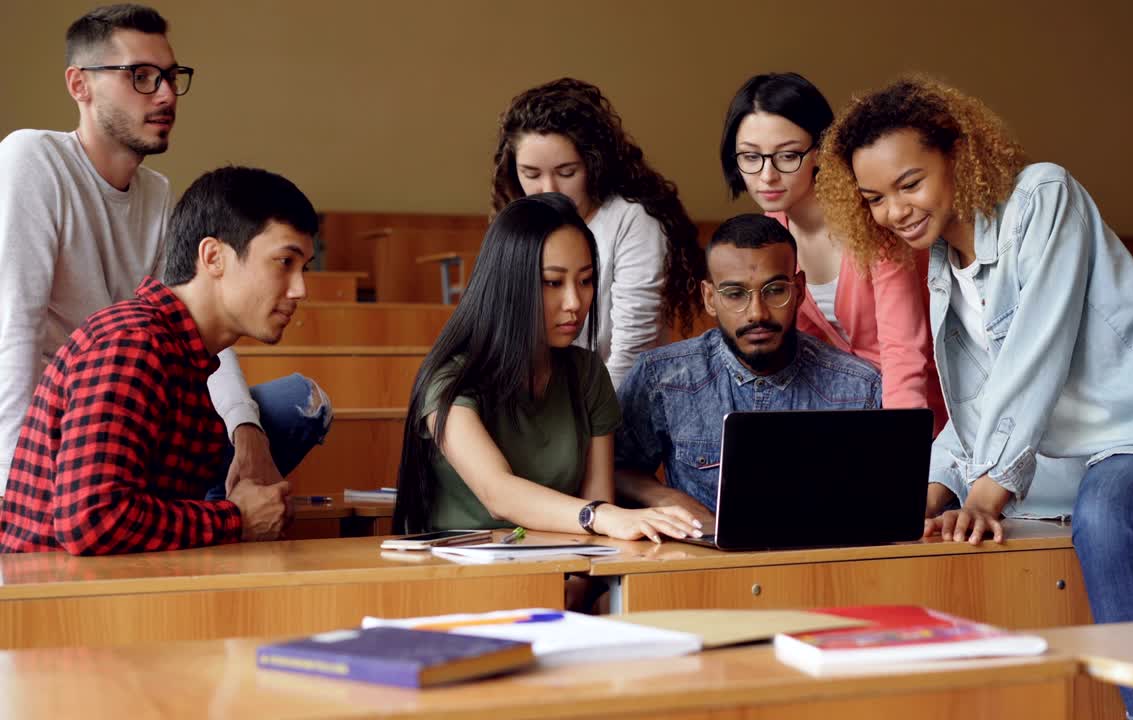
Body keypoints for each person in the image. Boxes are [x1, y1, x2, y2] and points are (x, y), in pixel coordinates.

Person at [821, 76, 1133, 719]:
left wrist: (989, 489)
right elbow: (979, 403)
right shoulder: (940, 273)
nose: (895, 211)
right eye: (874, 198)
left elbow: (1037, 349)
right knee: (1104, 519)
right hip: (1132, 442)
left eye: (910, 183)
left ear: (957, 156)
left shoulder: (1042, 195)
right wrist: (927, 491)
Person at [0, 3, 329, 500]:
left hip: (143, 411)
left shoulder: (155, 192)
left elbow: (198, 325)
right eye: (141, 77)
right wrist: (11, 489)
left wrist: (246, 430)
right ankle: (191, 518)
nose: (166, 94)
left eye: (172, 77)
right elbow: (13, 332)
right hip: (67, 431)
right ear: (79, 85)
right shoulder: (33, 160)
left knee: (298, 403)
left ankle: (192, 518)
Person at [0, 166, 319, 555]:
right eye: (285, 262)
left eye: (304, 268)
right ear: (213, 256)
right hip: (54, 602)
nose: (300, 288)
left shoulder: (185, 357)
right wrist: (236, 519)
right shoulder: (133, 344)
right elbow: (91, 521)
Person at [394, 192, 702, 544]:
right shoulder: (450, 379)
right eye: (553, 283)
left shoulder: (587, 373)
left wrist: (580, 582)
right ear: (510, 284)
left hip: (565, 565)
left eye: (585, 281)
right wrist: (600, 517)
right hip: (464, 576)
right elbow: (500, 495)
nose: (574, 302)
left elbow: (598, 499)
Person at [615, 214, 883, 526]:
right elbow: (616, 468)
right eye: (734, 294)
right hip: (702, 567)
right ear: (710, 298)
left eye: (774, 290)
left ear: (798, 290)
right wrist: (669, 499)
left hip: (819, 569)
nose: (757, 313)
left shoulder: (860, 388)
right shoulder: (661, 377)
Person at [721, 72, 945, 438]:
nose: (767, 176)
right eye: (750, 157)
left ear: (821, 150)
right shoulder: (772, 230)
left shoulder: (873, 221)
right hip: (841, 423)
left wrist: (902, 455)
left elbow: (904, 355)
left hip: (923, 422)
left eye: (788, 155)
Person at [491, 78, 705, 387]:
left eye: (567, 173)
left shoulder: (631, 219)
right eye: (531, 174)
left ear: (593, 164)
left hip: (619, 403)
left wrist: (589, 423)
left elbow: (631, 351)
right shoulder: (521, 226)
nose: (549, 189)